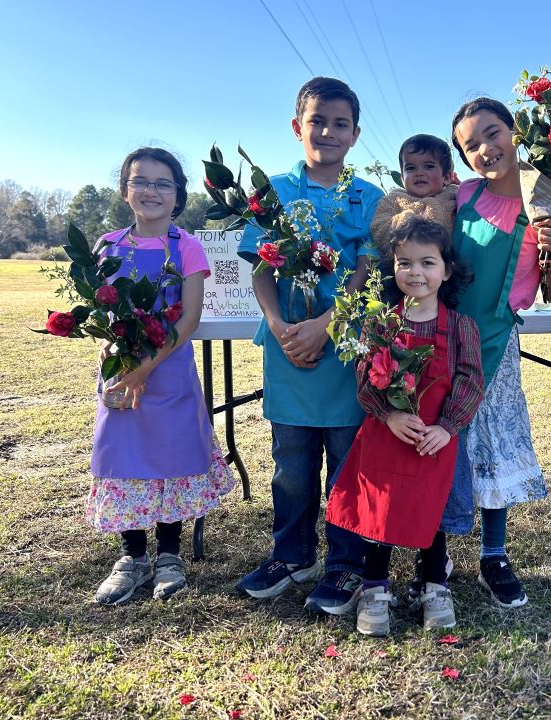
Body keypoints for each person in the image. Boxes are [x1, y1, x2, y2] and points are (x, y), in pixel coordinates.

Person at [235, 77, 383, 614]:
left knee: (347, 462)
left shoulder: (370, 197)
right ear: (298, 127)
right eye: (317, 121)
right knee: (291, 463)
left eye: (340, 123)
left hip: (343, 347)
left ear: (355, 134)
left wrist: (326, 322)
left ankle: (346, 564)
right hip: (286, 348)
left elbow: (369, 271)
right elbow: (261, 270)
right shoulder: (272, 190)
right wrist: (277, 325)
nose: (328, 131)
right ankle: (292, 554)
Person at [449, 97, 551, 607]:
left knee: (495, 442)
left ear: (516, 131)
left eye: (492, 133)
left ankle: (494, 555)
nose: (485, 149)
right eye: (470, 145)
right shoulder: (460, 197)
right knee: (448, 439)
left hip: (500, 343)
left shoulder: (548, 201)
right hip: (448, 339)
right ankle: (434, 550)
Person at [89, 147, 234, 605]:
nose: (150, 190)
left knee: (171, 460)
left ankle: (169, 555)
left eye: (162, 183)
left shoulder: (185, 247)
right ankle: (131, 557)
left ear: (177, 195)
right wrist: (114, 352)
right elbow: (99, 310)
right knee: (124, 458)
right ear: (125, 190)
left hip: (168, 373)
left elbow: (188, 318)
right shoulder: (107, 246)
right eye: (140, 181)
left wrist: (146, 366)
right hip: (120, 372)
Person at [326, 216, 483, 636]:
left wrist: (448, 426)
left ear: (447, 270)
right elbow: (364, 379)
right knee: (380, 512)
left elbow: (470, 382)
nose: (416, 273)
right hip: (387, 436)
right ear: (393, 268)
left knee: (428, 514)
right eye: (405, 263)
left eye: (427, 263)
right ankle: (375, 587)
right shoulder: (381, 324)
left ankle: (434, 585)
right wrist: (390, 414)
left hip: (435, 441)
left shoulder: (462, 328)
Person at [369, 134, 458, 254]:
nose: (419, 173)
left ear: (447, 177)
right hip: (407, 267)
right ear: (402, 179)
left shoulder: (455, 196)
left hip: (449, 267)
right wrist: (410, 221)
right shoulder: (394, 200)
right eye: (411, 168)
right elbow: (378, 229)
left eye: (429, 166)